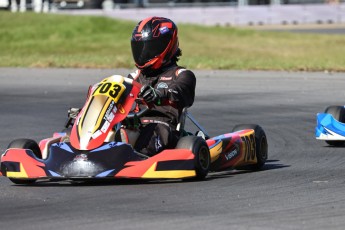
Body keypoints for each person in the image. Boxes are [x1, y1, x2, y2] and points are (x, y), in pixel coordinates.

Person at [127, 16, 196, 156]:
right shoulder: (133, 77)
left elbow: (181, 93)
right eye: (140, 48)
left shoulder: (182, 75)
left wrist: (159, 94)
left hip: (162, 127)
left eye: (150, 47)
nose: (144, 53)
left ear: (166, 46)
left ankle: (136, 158)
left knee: (152, 132)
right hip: (133, 124)